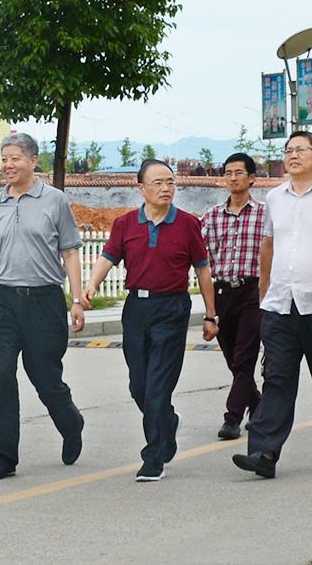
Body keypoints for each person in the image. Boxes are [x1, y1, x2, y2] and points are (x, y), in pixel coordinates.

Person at [232, 131, 312, 479]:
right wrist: (264, 289)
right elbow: (268, 244)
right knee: (276, 378)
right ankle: (263, 452)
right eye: (288, 150)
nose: (293, 155)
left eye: (301, 150)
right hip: (280, 304)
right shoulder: (275, 198)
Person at [85, 159, 218, 482]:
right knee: (139, 386)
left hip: (172, 308)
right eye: (158, 183)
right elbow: (107, 258)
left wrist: (211, 315)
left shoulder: (188, 224)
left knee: (158, 385)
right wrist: (91, 286)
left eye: (170, 182)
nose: (166, 188)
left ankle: (153, 457)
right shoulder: (125, 224)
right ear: (141, 188)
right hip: (136, 309)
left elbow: (203, 270)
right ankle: (167, 422)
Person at [0, 133, 86, 481]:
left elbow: (69, 251)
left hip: (44, 301)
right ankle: (4, 457)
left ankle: (71, 423)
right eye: (4, 159)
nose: (8, 165)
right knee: (0, 376)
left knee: (45, 378)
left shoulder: (54, 200)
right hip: (5, 301)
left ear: (32, 161)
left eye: (15, 158)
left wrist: (76, 299)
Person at [200, 152, 266, 440]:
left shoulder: (265, 214)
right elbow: (197, 253)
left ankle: (233, 417)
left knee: (244, 358)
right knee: (232, 358)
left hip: (254, 290)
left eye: (239, 172)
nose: (233, 178)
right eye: (228, 173)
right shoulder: (212, 216)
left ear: (251, 178)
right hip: (223, 291)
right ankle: (259, 405)